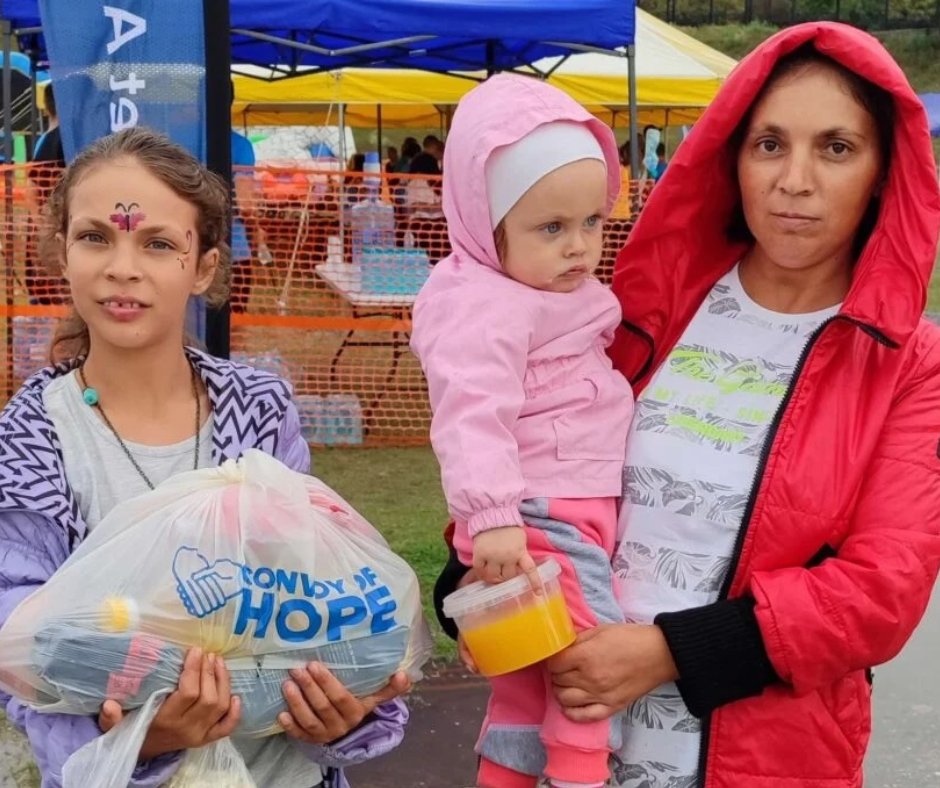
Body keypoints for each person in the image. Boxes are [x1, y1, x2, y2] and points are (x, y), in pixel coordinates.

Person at [436, 22, 940, 788]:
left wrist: (671, 650)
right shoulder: (639, 308)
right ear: (731, 156)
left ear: (882, 171)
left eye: (835, 147)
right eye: (769, 144)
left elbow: (881, 589)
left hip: (768, 762)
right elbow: (531, 440)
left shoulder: (908, 364)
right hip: (575, 753)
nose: (794, 179)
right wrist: (472, 575)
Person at [0, 127, 410, 788]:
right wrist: (139, 741)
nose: (122, 267)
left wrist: (346, 706)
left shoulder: (260, 410)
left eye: (158, 243)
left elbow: (316, 581)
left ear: (204, 267)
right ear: (63, 252)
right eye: (96, 236)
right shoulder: (32, 435)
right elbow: (18, 649)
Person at [411, 73, 633, 788]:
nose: (578, 246)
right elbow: (471, 412)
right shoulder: (486, 304)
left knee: (522, 682)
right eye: (551, 228)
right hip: (541, 520)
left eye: (591, 223)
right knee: (590, 659)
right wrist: (494, 517)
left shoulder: (541, 291)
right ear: (486, 224)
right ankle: (579, 777)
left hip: (557, 509)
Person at [25, 82, 68, 304]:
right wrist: (43, 227)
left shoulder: (50, 139)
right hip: (53, 236)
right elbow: (31, 189)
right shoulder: (57, 139)